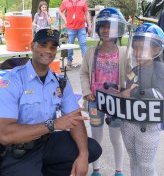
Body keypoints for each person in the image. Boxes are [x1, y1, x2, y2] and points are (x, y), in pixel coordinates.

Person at [0, 28, 102, 176]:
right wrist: (53, 125)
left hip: (46, 143)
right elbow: (5, 135)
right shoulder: (13, 81)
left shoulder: (59, 81)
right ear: (32, 46)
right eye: (43, 45)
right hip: (18, 150)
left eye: (53, 47)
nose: (48, 50)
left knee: (92, 148)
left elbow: (76, 118)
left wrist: (83, 155)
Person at [80, 8, 127, 176]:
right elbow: (84, 73)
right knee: (96, 137)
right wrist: (86, 91)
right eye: (103, 26)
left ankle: (119, 171)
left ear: (118, 29)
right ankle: (96, 170)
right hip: (95, 100)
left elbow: (131, 74)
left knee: (116, 137)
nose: (106, 30)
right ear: (98, 29)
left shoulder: (124, 53)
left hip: (116, 103)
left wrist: (126, 89)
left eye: (111, 26)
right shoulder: (91, 52)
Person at [120, 23, 164, 176]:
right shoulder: (135, 69)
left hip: (148, 124)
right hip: (129, 122)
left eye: (144, 47)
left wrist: (134, 92)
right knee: (133, 160)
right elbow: (127, 87)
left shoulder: (159, 69)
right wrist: (120, 91)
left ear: (155, 49)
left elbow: (159, 94)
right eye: (135, 47)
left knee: (146, 165)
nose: (137, 52)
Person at [59, 0, 92, 67]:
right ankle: (69, 60)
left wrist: (89, 25)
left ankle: (85, 62)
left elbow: (86, 13)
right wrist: (65, 20)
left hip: (81, 27)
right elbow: (60, 11)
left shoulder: (83, 0)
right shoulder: (66, 1)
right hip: (70, 27)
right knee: (70, 45)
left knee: (83, 44)